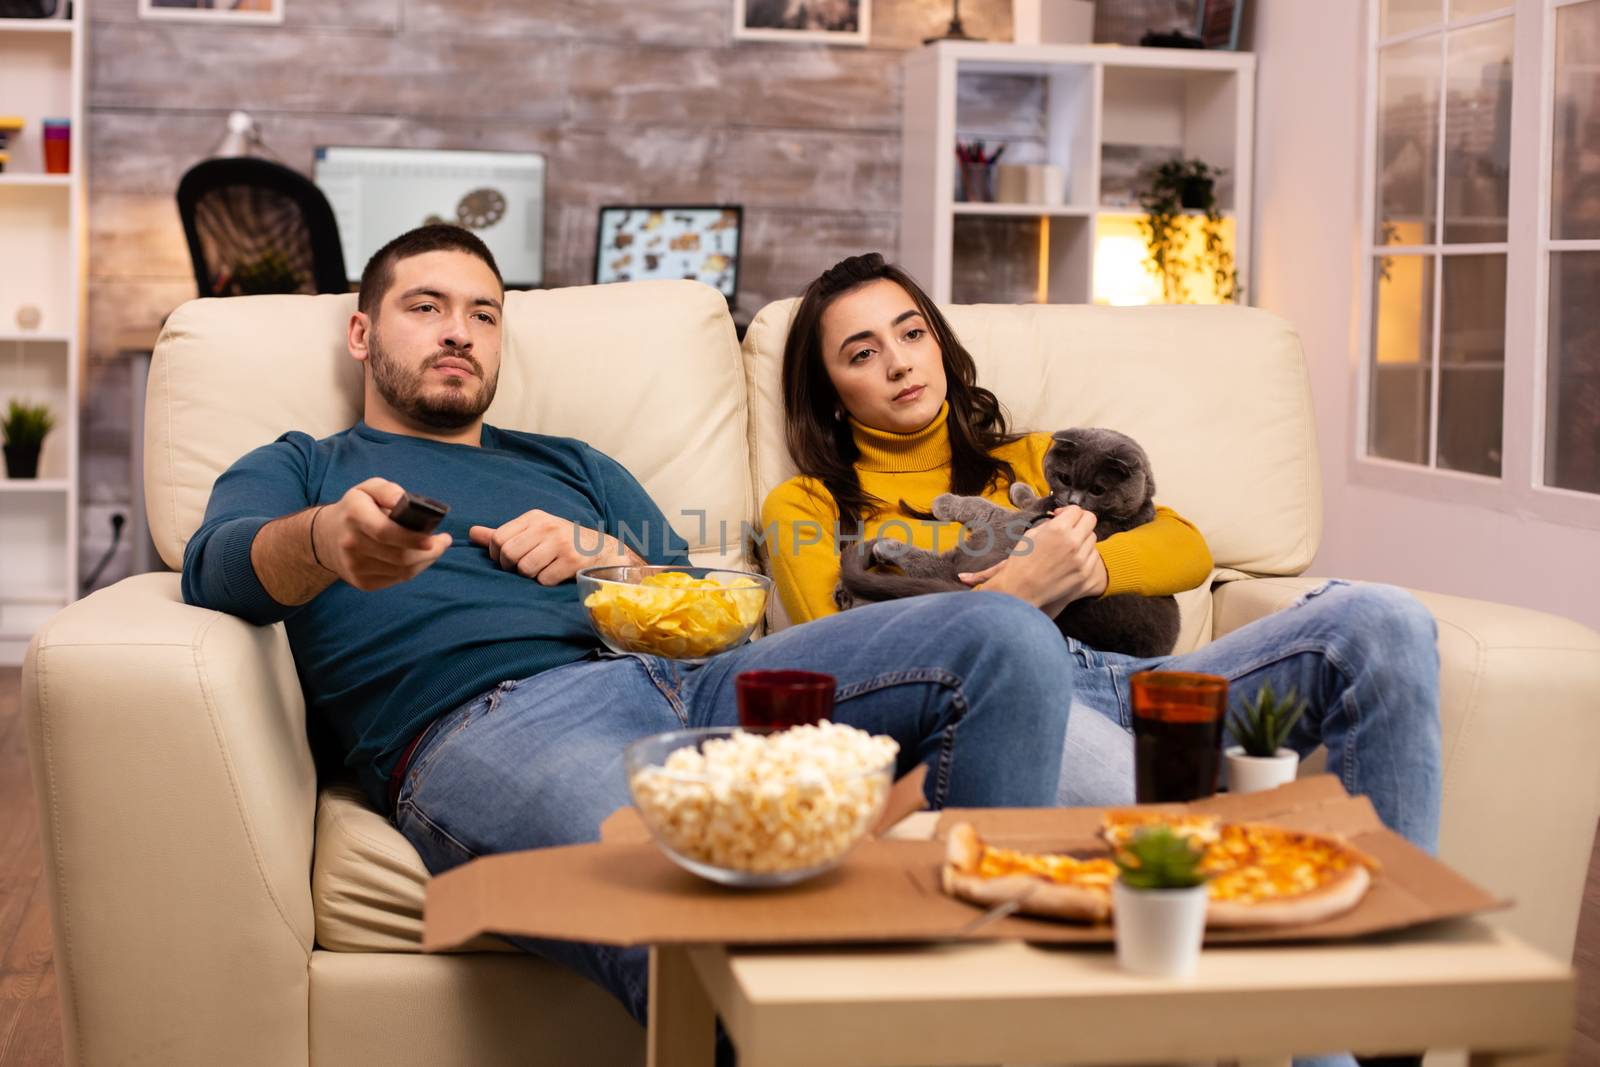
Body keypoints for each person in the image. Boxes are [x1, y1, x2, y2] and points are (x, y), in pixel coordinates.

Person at [181, 224, 1083, 1030]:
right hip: (489, 723)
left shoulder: (573, 463)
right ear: (362, 332)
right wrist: (327, 538)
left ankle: (983, 1020)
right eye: (427, 306)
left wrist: (607, 554)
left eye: (485, 315)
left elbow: (711, 610)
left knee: (1002, 636)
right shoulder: (305, 464)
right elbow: (214, 566)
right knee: (695, 901)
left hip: (689, 684)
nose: (460, 330)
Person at [761, 253, 1443, 854]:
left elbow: (1185, 544)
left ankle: (1393, 941)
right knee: (1169, 834)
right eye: (862, 352)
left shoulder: (1034, 456)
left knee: (1382, 619)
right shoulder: (809, 505)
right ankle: (1254, 860)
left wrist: (1089, 568)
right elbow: (841, 659)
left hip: (1141, 682)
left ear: (938, 343)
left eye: (912, 333)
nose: (901, 362)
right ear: (830, 396)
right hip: (1011, 706)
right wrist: (1020, 589)